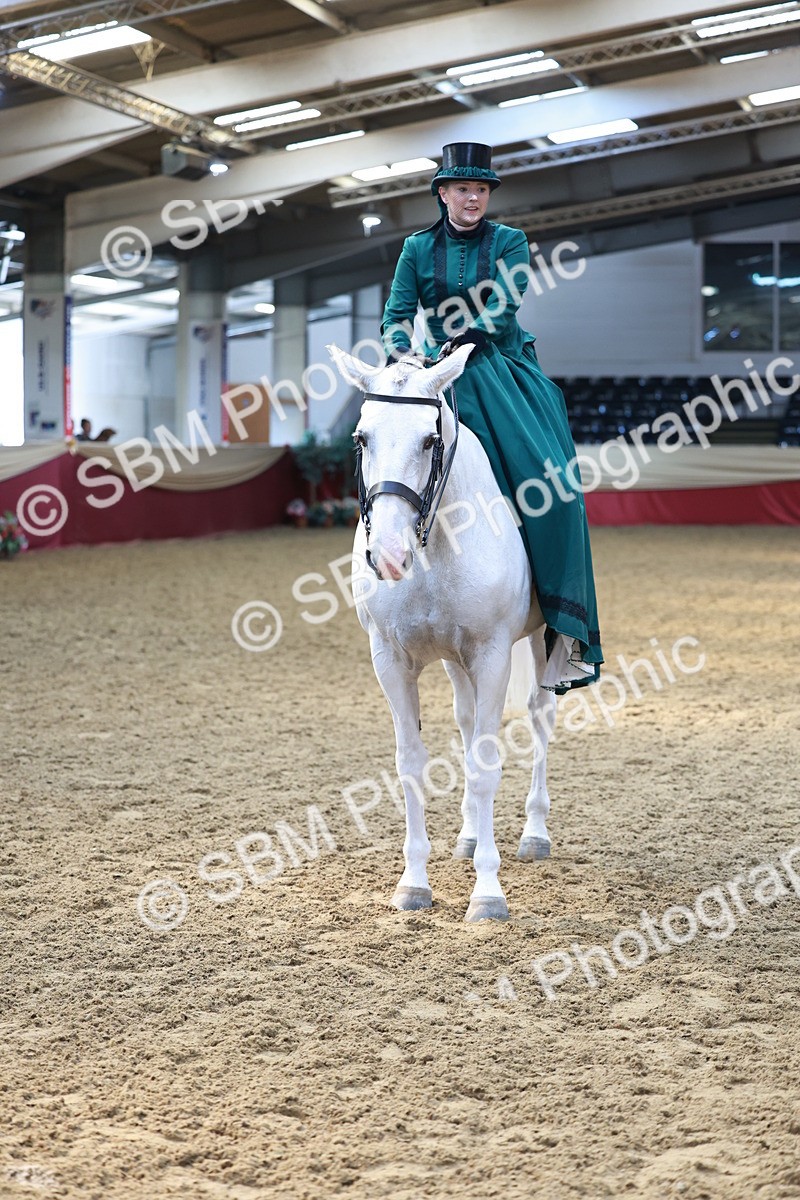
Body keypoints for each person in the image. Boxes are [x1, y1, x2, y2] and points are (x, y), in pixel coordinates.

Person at [380, 141, 603, 692]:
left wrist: (472, 334)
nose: (473, 197)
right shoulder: (415, 247)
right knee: (388, 453)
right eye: (463, 188)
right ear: (443, 193)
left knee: (558, 491)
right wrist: (403, 355)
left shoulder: (510, 241)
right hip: (436, 370)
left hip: (499, 366)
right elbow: (397, 313)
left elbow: (505, 302)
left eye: (480, 189)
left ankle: (562, 625)